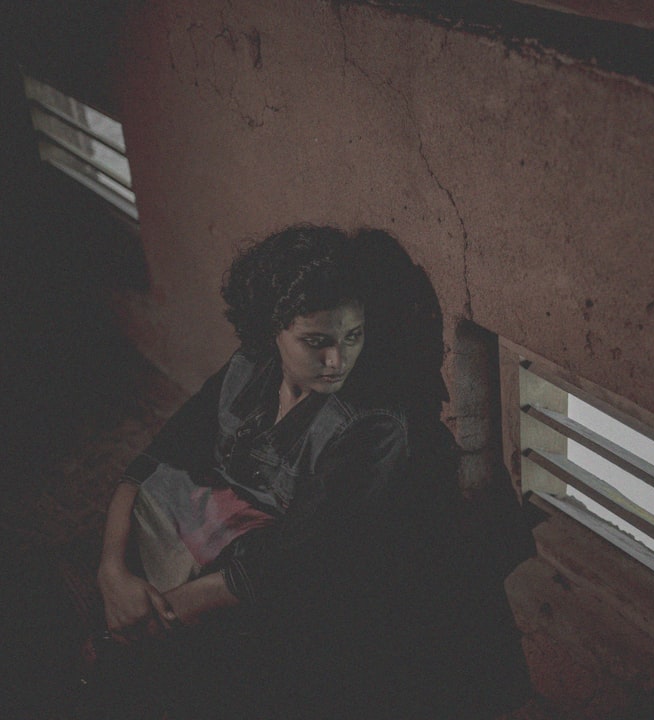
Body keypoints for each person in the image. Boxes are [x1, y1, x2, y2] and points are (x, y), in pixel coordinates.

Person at [88, 225, 531, 719]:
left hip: (307, 586)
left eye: (353, 336)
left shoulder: (373, 424)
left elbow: (283, 565)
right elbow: (155, 459)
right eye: (314, 341)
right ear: (270, 330)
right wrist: (112, 572)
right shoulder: (249, 368)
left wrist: (154, 619)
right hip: (241, 557)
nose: (337, 359)